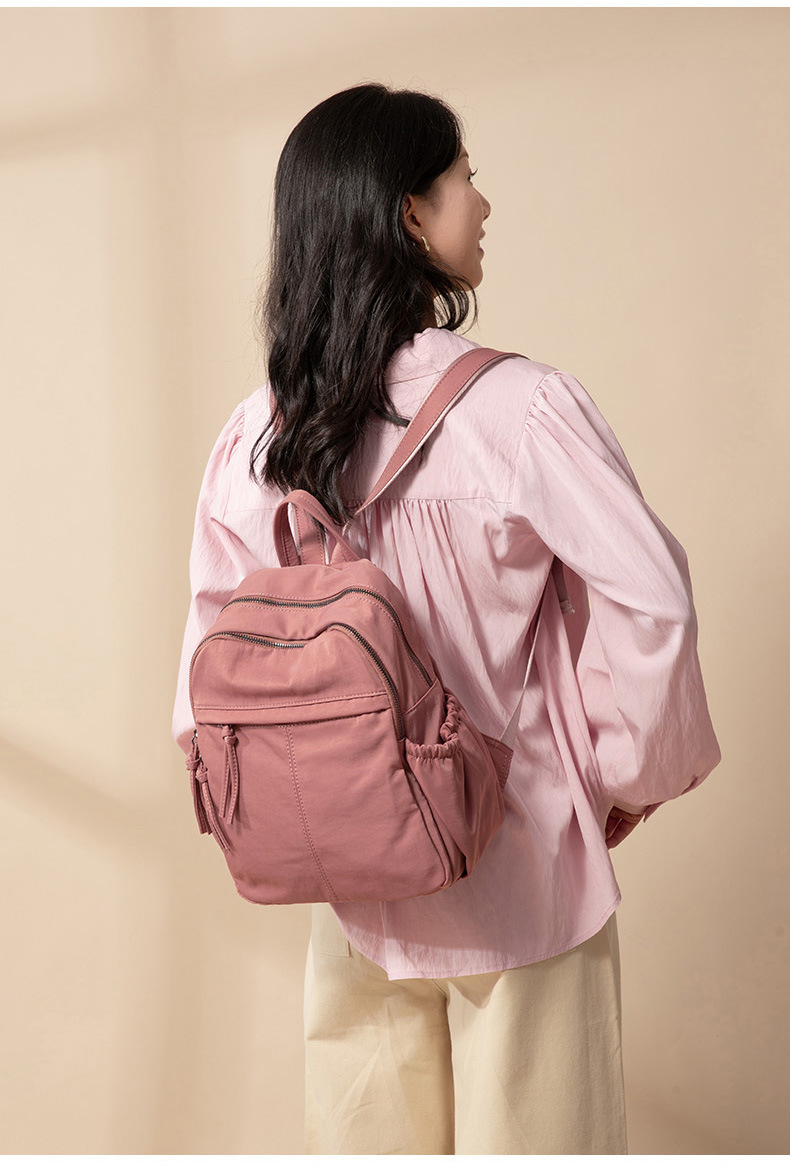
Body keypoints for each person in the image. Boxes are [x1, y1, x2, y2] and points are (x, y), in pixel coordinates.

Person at [171, 83, 722, 1155]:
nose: (484, 200)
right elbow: (651, 599)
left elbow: (212, 652)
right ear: (410, 215)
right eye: (464, 177)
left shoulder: (257, 435)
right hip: (522, 875)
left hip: (348, 884)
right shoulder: (522, 410)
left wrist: (276, 807)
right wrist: (625, 771)